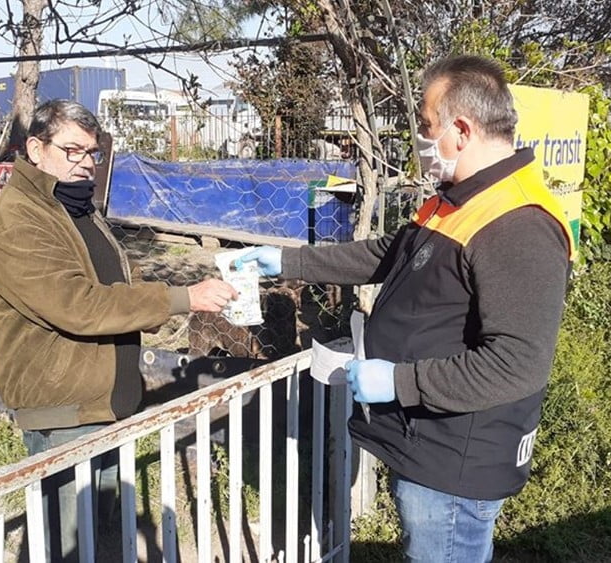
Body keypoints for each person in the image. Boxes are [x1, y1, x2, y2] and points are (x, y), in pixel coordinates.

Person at [237, 55, 574, 562]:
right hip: (426, 439)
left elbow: (517, 364)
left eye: (424, 125)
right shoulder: (459, 198)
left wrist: (397, 383)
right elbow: (389, 255)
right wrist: (286, 260)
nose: (418, 137)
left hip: (456, 456)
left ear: (460, 129)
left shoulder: (517, 224)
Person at [0, 99, 238, 562]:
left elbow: (118, 282)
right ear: (35, 148)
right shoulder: (14, 220)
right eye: (72, 150)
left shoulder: (75, 208)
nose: (85, 164)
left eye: (92, 153)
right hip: (63, 413)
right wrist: (183, 298)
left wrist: (171, 296)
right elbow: (78, 306)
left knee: (101, 537)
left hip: (106, 404)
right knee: (68, 546)